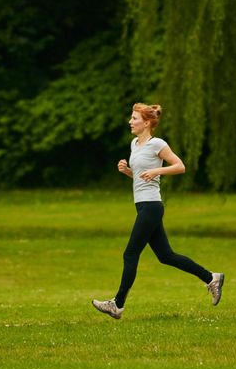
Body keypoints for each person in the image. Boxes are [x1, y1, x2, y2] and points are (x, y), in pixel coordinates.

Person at [92, 103, 225, 320]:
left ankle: (117, 304)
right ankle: (211, 277)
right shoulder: (134, 144)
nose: (130, 121)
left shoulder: (158, 144)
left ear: (146, 122)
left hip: (152, 207)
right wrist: (128, 171)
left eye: (134, 118)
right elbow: (141, 177)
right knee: (165, 256)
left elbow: (180, 166)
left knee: (130, 253)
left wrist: (156, 169)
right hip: (143, 205)